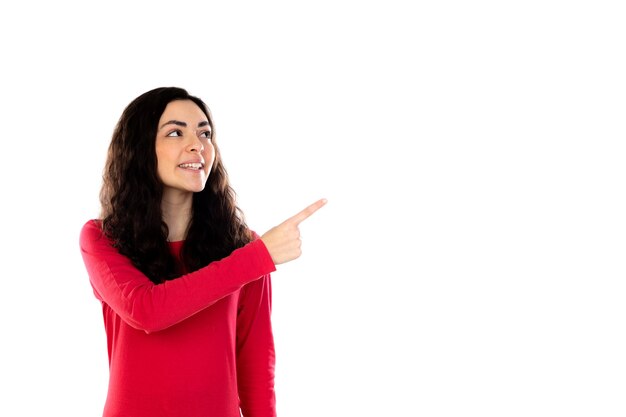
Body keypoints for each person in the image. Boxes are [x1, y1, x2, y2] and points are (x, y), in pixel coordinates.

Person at [79, 86, 326, 417]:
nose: (198, 144)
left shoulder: (243, 248)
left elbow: (255, 368)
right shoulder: (102, 238)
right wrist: (258, 257)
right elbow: (146, 310)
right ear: (141, 148)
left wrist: (254, 256)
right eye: (175, 132)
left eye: (205, 133)